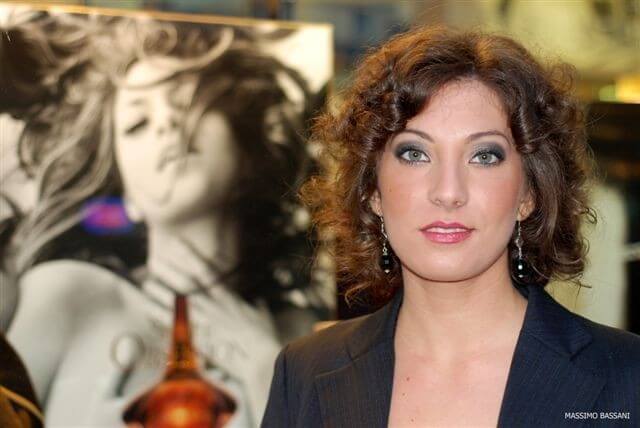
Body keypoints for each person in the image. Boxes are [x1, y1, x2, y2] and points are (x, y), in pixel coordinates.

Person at [261, 26, 640, 427]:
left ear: (528, 194)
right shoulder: (305, 372)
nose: (448, 192)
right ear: (372, 190)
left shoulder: (628, 378)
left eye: (484, 156)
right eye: (415, 153)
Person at [2, 13, 330, 427]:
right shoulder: (69, 296)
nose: (166, 123)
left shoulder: (299, 332)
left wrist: (264, 366)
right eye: (137, 124)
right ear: (125, 192)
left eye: (187, 102)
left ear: (247, 149)